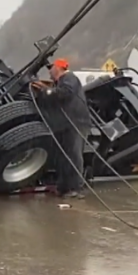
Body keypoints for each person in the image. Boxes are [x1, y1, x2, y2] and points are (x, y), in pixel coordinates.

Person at [32, 58, 92, 199]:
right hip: (66, 125)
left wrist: (45, 90)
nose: (49, 71)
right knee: (64, 157)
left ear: (58, 68)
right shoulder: (61, 82)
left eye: (51, 68)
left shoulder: (69, 78)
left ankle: (76, 188)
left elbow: (65, 93)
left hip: (76, 124)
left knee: (74, 156)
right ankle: (64, 187)